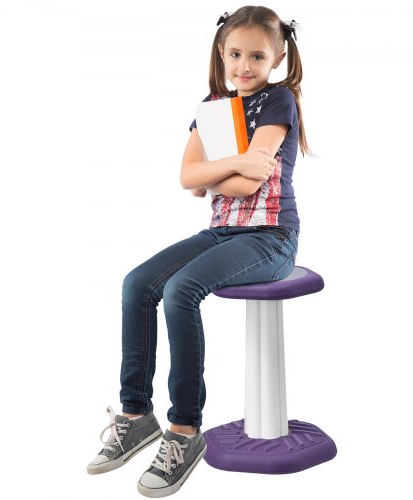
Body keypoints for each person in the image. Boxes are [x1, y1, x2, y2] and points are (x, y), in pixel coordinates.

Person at [87, 5, 314, 498]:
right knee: (137, 284)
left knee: (180, 290)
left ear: (277, 58)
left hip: (270, 236)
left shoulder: (279, 100)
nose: (244, 66)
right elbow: (187, 178)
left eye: (257, 56)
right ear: (221, 53)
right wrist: (233, 166)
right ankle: (136, 415)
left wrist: (216, 174)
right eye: (235, 54)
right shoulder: (212, 107)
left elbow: (249, 179)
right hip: (220, 233)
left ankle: (185, 430)